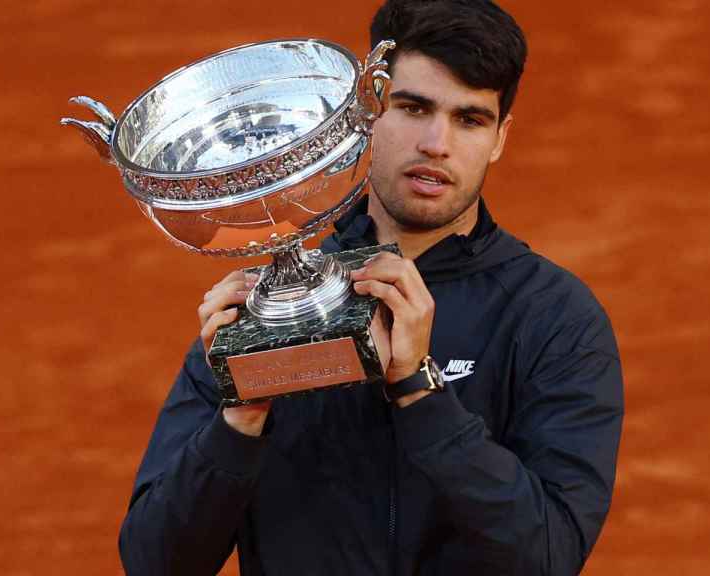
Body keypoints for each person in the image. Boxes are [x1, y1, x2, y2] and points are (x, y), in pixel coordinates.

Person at [118, 1, 624, 574]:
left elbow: (548, 556)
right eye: (413, 107)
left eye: (470, 119)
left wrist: (419, 391)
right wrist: (240, 417)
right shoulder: (274, 306)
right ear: (366, 109)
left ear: (500, 138)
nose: (437, 143)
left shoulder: (553, 318)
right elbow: (153, 561)